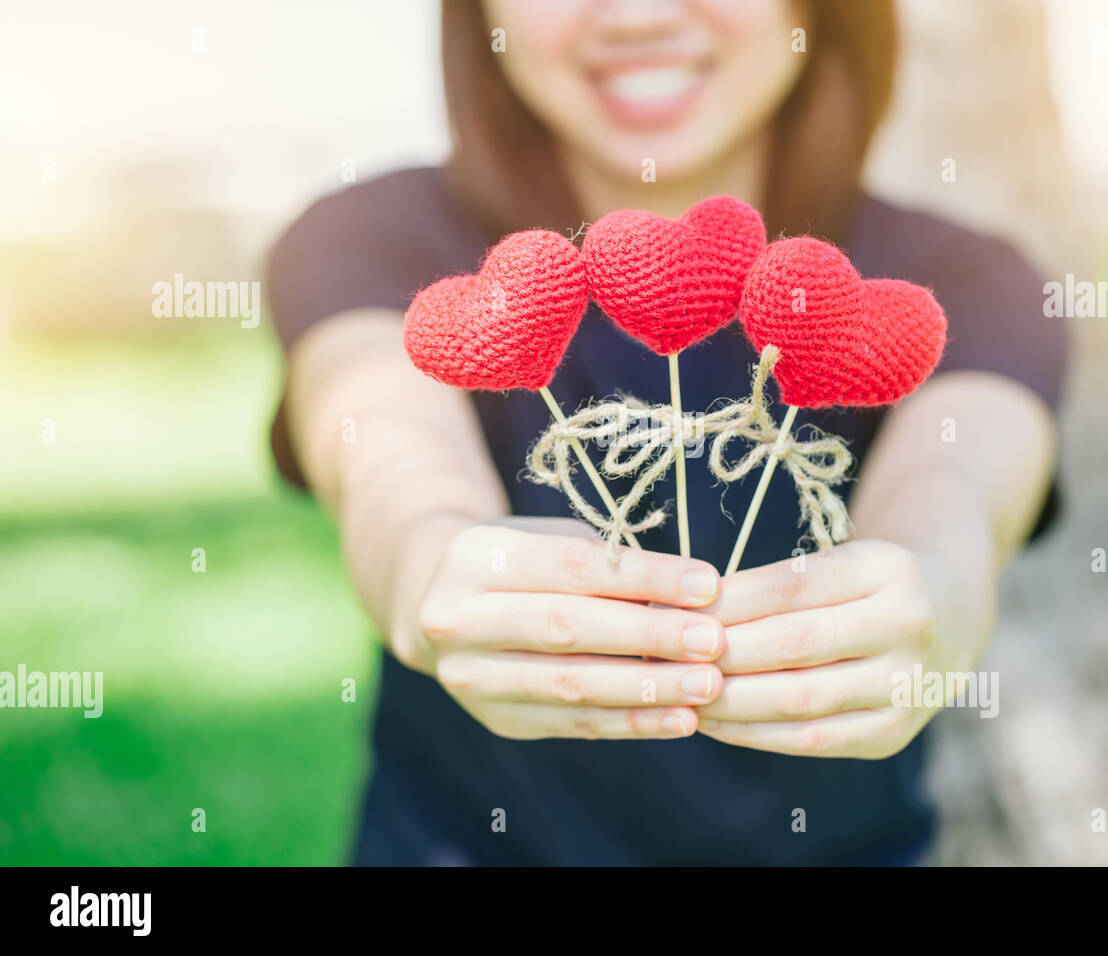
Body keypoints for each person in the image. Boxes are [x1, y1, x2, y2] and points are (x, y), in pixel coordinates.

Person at [266, 0, 1067, 865]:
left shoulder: (963, 284)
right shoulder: (373, 239)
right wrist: (425, 559)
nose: (639, 14)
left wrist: (937, 593)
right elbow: (379, 441)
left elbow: (958, 487)